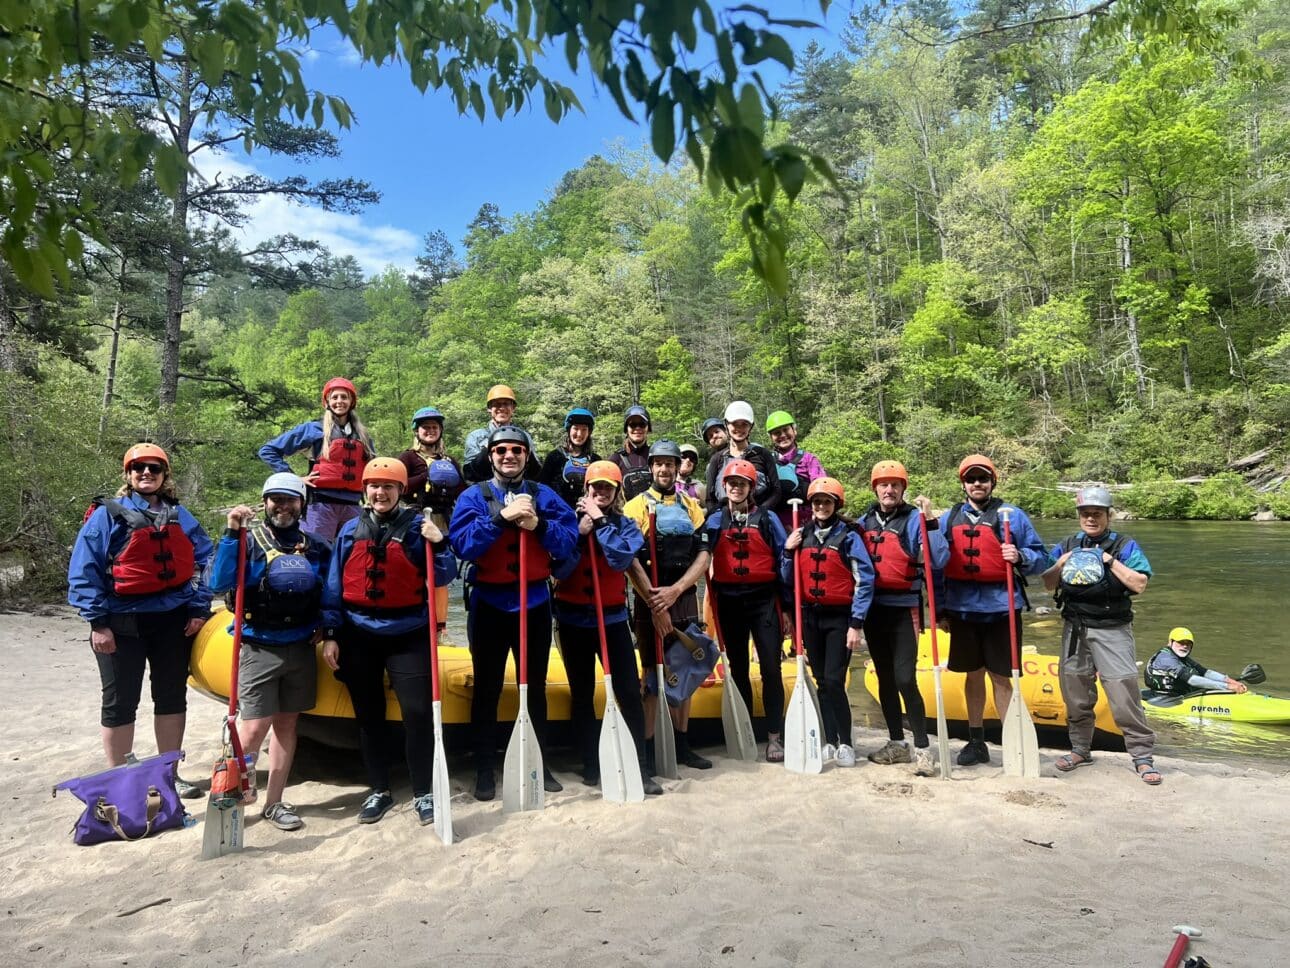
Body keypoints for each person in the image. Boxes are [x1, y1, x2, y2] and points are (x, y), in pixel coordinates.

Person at [67, 444, 213, 795]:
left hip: (172, 620)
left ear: (165, 475)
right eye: (138, 468)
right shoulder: (106, 515)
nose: (146, 473)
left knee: (171, 696)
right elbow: (84, 570)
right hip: (120, 622)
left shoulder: (180, 515)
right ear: (128, 475)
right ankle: (121, 779)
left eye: (154, 468)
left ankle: (168, 774)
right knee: (120, 701)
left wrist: (198, 607)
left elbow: (206, 559)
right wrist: (97, 623)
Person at [319, 458, 456, 825]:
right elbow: (334, 585)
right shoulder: (350, 530)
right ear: (365, 491)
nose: (381, 493)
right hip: (358, 633)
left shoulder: (417, 528)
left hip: (408, 631)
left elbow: (446, 574)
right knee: (369, 716)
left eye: (389, 487)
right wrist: (332, 633)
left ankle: (423, 791)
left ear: (400, 491)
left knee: (417, 713)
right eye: (374, 487)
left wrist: (439, 543)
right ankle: (379, 788)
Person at [449, 426, 579, 801]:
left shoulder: (545, 496)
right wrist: (501, 519)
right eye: (502, 450)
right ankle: (485, 768)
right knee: (487, 689)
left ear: (527, 456)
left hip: (534, 602)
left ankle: (539, 763)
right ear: (491, 456)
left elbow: (568, 541)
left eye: (517, 450)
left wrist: (537, 525)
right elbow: (463, 546)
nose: (509, 455)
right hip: (490, 603)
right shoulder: (474, 496)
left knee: (533, 687)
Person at [207, 473, 332, 831]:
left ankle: (274, 802)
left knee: (287, 723)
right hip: (259, 645)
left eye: (291, 500)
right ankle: (231, 800)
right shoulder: (248, 539)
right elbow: (219, 583)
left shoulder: (315, 545)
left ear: (302, 505)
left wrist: (327, 624)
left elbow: (328, 590)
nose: (283, 506)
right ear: (265, 503)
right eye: (276, 499)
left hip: (301, 645)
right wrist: (232, 532)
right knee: (253, 727)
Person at [550, 461, 663, 796]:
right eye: (595, 488)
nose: (600, 493)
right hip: (573, 621)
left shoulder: (626, 525)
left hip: (611, 620)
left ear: (616, 493)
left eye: (607, 489)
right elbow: (559, 565)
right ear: (586, 490)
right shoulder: (567, 524)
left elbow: (620, 559)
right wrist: (579, 534)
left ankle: (640, 768)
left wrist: (599, 524)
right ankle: (589, 762)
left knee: (628, 692)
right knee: (582, 693)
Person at [1043, 485, 1160, 784]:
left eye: (1096, 513)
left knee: (1123, 696)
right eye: (1085, 513)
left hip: (1112, 629)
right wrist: (1061, 562)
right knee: (1076, 694)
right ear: (1079, 515)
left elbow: (1140, 584)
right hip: (1074, 629)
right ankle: (1080, 749)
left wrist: (1108, 561)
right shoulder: (1068, 543)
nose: (1090, 518)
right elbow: (1047, 583)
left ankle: (1142, 756)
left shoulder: (1125, 545)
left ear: (1108, 515)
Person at [937, 454, 1049, 767]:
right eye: (971, 479)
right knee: (972, 676)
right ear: (963, 483)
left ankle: (1013, 739)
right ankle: (976, 741)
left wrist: (1021, 555)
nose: (977, 484)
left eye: (982, 479)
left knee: (1002, 677)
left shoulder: (1012, 515)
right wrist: (939, 609)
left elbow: (1042, 557)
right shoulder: (949, 518)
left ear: (992, 482)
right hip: (963, 609)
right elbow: (937, 565)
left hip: (1002, 608)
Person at [623, 440, 713, 772]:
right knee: (650, 676)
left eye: (669, 464)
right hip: (650, 599)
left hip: (683, 597)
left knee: (684, 673)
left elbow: (703, 555)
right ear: (651, 468)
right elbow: (630, 560)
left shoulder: (691, 506)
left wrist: (677, 590)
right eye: (658, 463)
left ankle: (682, 744)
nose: (664, 469)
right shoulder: (634, 507)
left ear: (678, 468)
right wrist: (655, 603)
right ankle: (647, 752)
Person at [855, 461, 948, 775]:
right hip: (873, 609)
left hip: (904, 608)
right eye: (883, 484)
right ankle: (897, 743)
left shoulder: (913, 519)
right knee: (884, 678)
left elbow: (938, 558)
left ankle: (922, 747)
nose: (889, 489)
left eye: (895, 484)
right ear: (875, 488)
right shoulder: (864, 521)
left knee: (905, 678)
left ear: (903, 489)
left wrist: (930, 520)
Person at [782, 477, 876, 766]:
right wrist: (787, 551)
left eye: (827, 501)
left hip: (839, 618)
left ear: (836, 505)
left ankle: (846, 741)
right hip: (810, 616)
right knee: (821, 681)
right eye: (817, 502)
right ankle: (830, 739)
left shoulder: (848, 537)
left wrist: (856, 623)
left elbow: (865, 579)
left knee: (835, 681)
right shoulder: (802, 534)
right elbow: (787, 579)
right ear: (811, 506)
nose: (821, 506)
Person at [704, 459, 790, 762]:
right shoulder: (714, 520)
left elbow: (784, 559)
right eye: (731, 483)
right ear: (724, 487)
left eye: (742, 483)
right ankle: (745, 730)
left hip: (763, 600)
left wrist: (789, 608)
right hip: (728, 601)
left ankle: (774, 737)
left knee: (770, 668)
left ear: (751, 488)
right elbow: (700, 552)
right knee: (737, 668)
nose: (736, 488)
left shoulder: (767, 519)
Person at [258, 377, 375, 541]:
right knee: (316, 553)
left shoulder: (362, 436)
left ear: (352, 402)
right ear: (327, 402)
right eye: (334, 397)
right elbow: (268, 450)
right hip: (320, 506)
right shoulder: (314, 429)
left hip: (353, 506)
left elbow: (373, 469)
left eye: (344, 397)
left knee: (351, 554)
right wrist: (294, 479)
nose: (339, 401)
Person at [397, 406, 464, 638]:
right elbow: (400, 487)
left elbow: (461, 492)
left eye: (435, 427)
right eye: (426, 427)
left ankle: (441, 628)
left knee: (441, 574)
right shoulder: (407, 457)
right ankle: (415, 622)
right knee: (415, 570)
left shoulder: (450, 460)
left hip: (443, 521)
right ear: (417, 431)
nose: (430, 431)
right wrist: (428, 475)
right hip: (415, 519)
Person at [703, 400, 779, 516]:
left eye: (744, 424)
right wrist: (718, 517)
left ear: (751, 426)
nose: (739, 428)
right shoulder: (717, 459)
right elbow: (710, 498)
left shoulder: (762, 454)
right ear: (726, 425)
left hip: (758, 516)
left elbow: (776, 491)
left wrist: (761, 512)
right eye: (734, 424)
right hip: (725, 517)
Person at [462, 384, 539, 483]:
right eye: (497, 404)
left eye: (506, 404)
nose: (502, 408)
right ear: (489, 408)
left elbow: (534, 473)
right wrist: (487, 451)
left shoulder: (524, 437)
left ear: (513, 408)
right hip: (485, 492)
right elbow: (470, 474)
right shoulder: (476, 437)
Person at [764, 410, 826, 531]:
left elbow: (822, 489)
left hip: (807, 520)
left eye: (786, 430)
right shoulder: (767, 461)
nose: (782, 435)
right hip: (777, 523)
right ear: (771, 437)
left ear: (794, 430)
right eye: (777, 433)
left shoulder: (809, 460)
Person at [1145, 628, 1249, 696]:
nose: (1185, 646)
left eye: (1188, 643)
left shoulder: (1181, 657)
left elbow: (1205, 672)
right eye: (1181, 642)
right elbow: (1192, 680)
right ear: (1170, 642)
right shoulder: (1166, 659)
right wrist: (1226, 687)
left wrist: (1232, 682)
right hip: (1163, 697)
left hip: (1180, 694)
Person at [540, 408, 601, 509]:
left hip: (588, 513)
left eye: (584, 429)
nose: (579, 434)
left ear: (589, 432)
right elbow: (543, 487)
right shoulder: (555, 457)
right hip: (558, 512)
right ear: (569, 429)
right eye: (576, 428)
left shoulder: (595, 460)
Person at [612, 404, 654, 500]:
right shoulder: (616, 459)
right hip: (625, 513)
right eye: (633, 425)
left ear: (648, 428)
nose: (637, 428)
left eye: (642, 424)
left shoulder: (655, 456)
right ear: (626, 429)